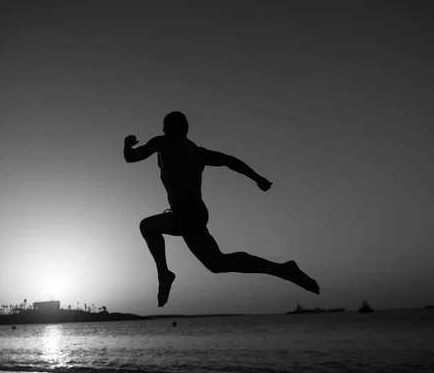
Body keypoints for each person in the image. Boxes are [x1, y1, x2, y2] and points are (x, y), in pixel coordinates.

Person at [124, 111, 320, 307]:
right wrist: (257, 178)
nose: (162, 129)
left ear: (168, 128)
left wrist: (127, 145)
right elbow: (229, 160)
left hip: (185, 211)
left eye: (164, 126)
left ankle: (283, 270)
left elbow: (131, 157)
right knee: (149, 227)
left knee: (218, 263)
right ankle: (164, 274)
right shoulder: (198, 152)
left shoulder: (163, 142)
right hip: (192, 211)